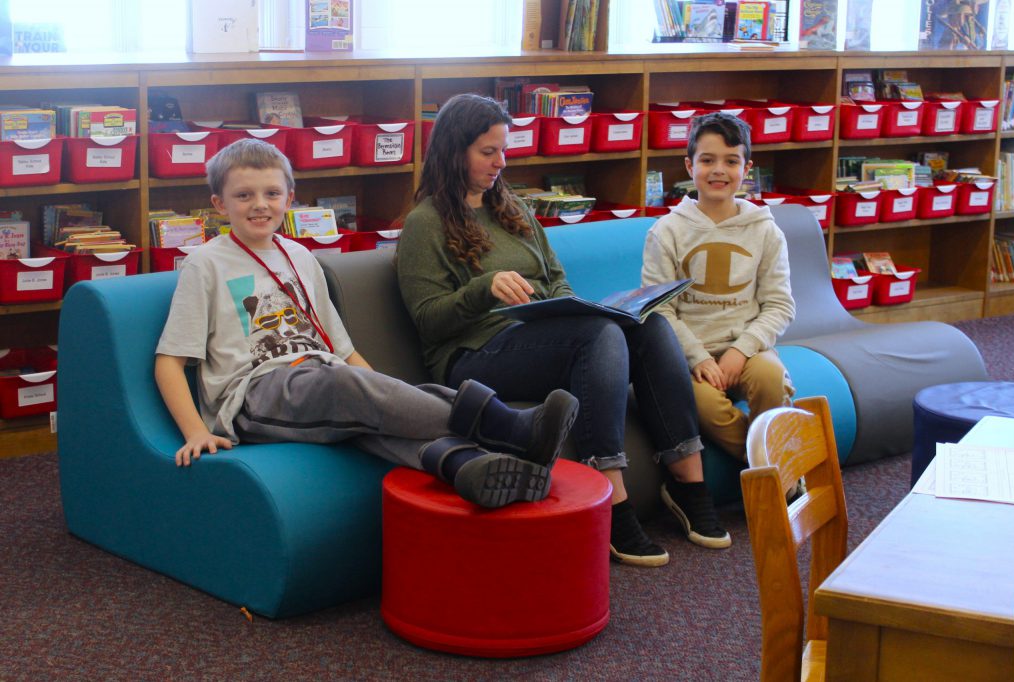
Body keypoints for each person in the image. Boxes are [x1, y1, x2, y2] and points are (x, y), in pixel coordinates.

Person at [396, 93, 731, 568]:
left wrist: (561, 305)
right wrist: (484, 288)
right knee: (599, 336)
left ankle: (688, 483)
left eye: (503, 150)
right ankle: (610, 498)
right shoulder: (424, 224)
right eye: (487, 152)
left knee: (649, 325)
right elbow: (429, 319)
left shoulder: (509, 207)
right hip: (471, 354)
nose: (500, 163)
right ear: (454, 151)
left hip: (537, 337)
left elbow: (555, 278)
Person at [154, 138, 580, 509]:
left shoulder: (301, 257)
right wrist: (196, 432)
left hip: (321, 376)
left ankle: (467, 466)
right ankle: (508, 426)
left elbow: (343, 352)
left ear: (289, 197)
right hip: (255, 396)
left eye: (271, 193)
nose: (259, 204)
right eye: (244, 195)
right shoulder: (205, 265)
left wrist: (386, 395)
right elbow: (170, 361)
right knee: (348, 389)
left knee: (385, 403)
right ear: (219, 203)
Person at [642, 112, 795, 465]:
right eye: (707, 160)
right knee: (704, 406)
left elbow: (779, 306)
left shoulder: (765, 230)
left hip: (749, 350)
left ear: (747, 167)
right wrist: (697, 356)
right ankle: (775, 473)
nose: (718, 171)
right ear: (689, 165)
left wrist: (741, 350)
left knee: (771, 378)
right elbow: (659, 308)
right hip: (690, 356)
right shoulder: (667, 231)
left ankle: (770, 475)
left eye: (731, 161)